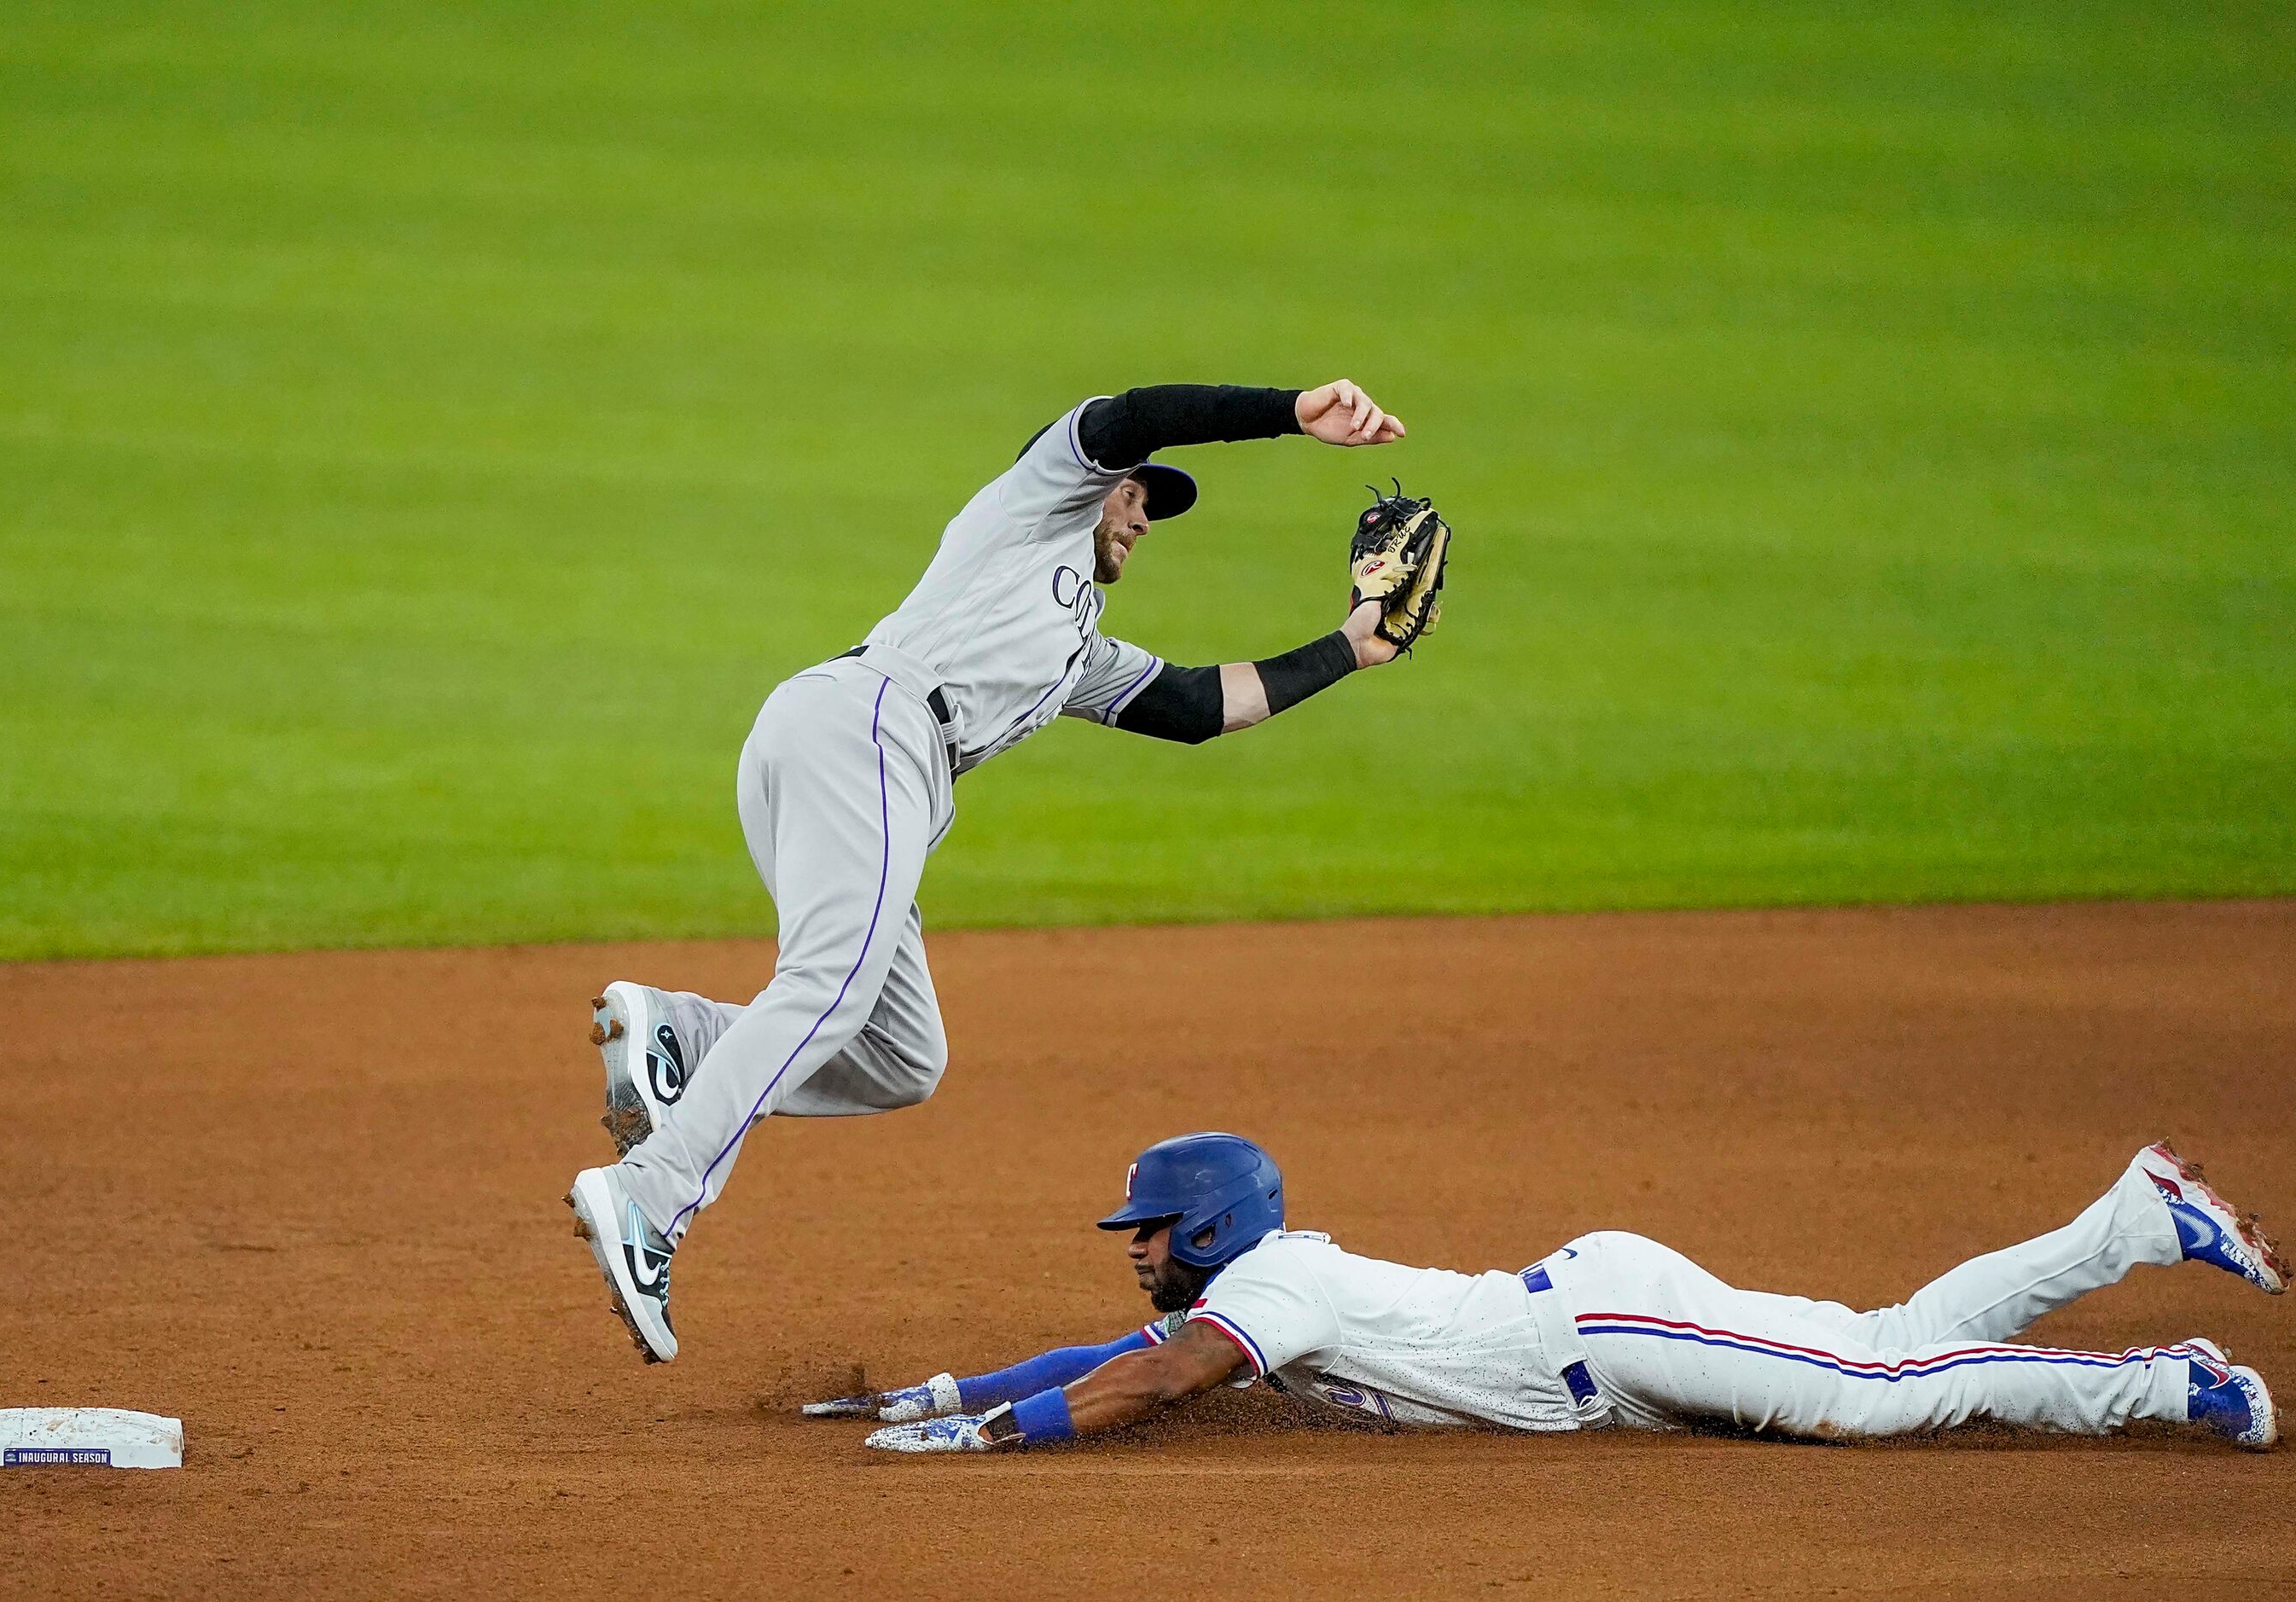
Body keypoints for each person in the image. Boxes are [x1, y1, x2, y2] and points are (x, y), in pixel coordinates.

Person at [568, 384, 1428, 1363]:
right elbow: (1128, 416)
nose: (1144, 515)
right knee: (829, 986)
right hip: (868, 730)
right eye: (1138, 495)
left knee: (900, 1057)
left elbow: (1199, 705)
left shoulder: (1078, 649)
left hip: (859, 759)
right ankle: (651, 1197)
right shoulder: (1036, 511)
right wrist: (1290, 411)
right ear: (1095, 485)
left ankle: (682, 1036)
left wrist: (1351, 648)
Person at [812, 1133, 2285, 1454]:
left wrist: (1000, 1445)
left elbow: (1160, 1376)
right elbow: (1112, 1347)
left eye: (1149, 1228)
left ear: (1206, 1224)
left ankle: (2172, 1379)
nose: (1134, 1245)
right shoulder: (1258, 1280)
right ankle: (2128, 1216)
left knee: (1877, 1396)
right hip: (1602, 1331)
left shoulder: (1270, 1285)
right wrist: (945, 1390)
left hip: (1602, 1327)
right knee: (1889, 1342)